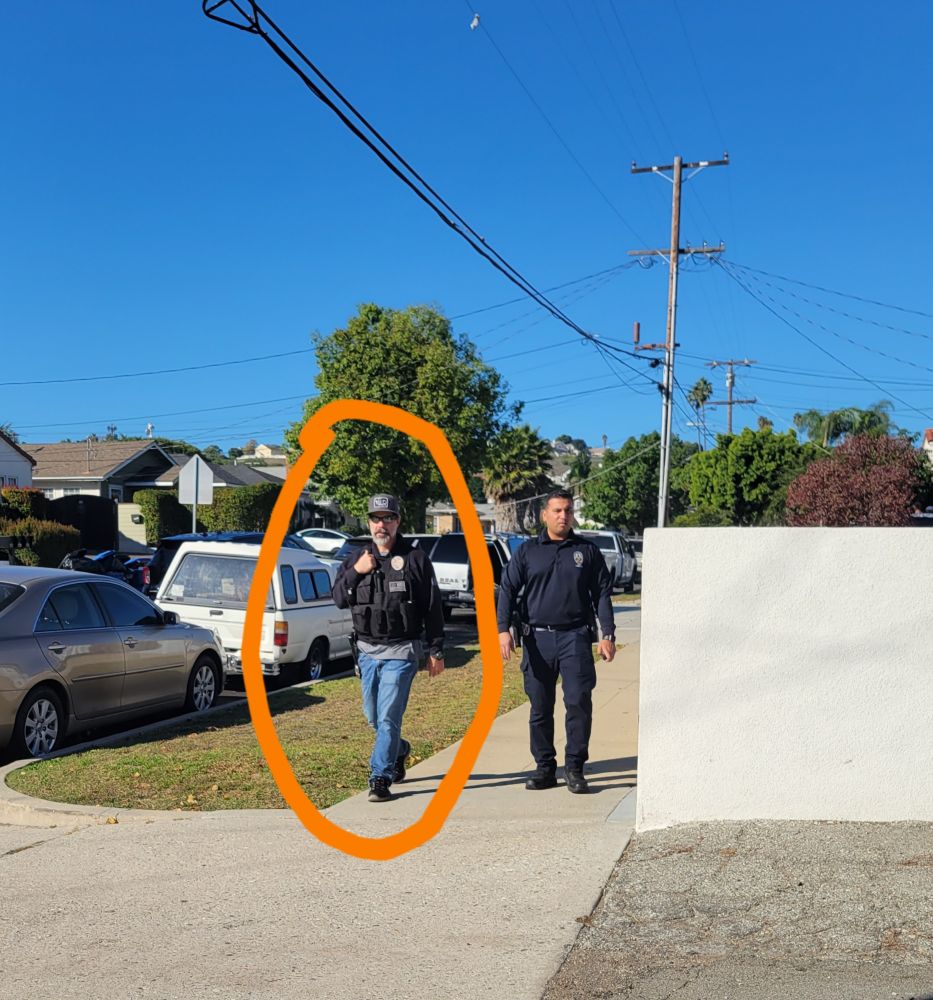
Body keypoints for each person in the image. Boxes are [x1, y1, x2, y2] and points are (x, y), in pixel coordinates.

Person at [496, 488, 615, 794]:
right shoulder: (528, 551)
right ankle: (545, 768)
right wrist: (503, 630)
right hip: (537, 639)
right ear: (544, 515)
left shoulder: (586, 551)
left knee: (578, 702)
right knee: (540, 706)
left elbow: (601, 593)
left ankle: (574, 767)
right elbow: (507, 589)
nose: (563, 516)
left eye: (568, 510)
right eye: (557, 511)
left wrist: (608, 634)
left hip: (575, 638)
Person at [333, 494, 445, 802]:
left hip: (403, 651)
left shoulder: (415, 559)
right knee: (373, 716)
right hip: (367, 652)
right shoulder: (356, 558)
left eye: (388, 518)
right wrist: (358, 571)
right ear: (369, 521)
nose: (382, 525)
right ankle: (401, 749)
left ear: (398, 521)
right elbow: (339, 598)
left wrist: (436, 650)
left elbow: (432, 607)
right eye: (376, 518)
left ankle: (379, 778)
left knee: (387, 719)